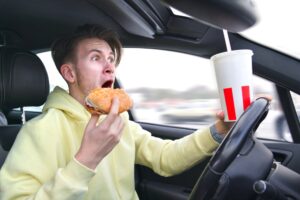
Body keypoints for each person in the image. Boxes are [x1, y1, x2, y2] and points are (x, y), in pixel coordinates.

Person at [0, 24, 231, 199]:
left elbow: (165, 158)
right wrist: (86, 160)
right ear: (70, 74)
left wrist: (218, 131)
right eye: (96, 58)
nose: (110, 66)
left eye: (111, 59)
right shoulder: (41, 131)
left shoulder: (118, 120)